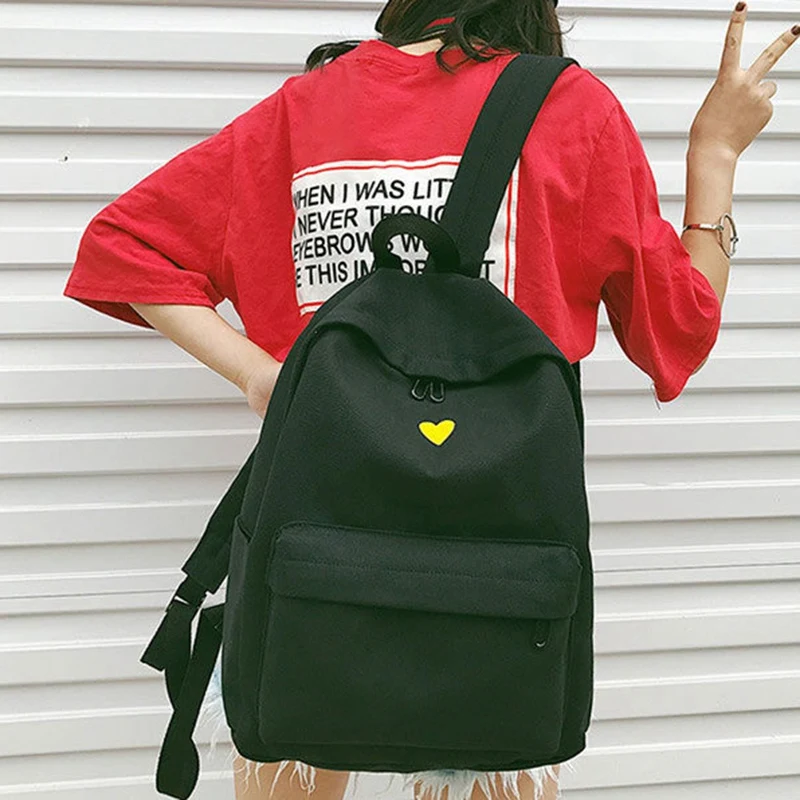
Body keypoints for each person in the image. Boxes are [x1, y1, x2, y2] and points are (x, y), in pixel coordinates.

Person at [62, 1, 797, 798]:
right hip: (495, 551)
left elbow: (125, 245)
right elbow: (679, 328)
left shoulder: (307, 107)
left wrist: (260, 375)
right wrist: (716, 151)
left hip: (315, 528)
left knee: (289, 736)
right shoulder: (568, 109)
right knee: (494, 751)